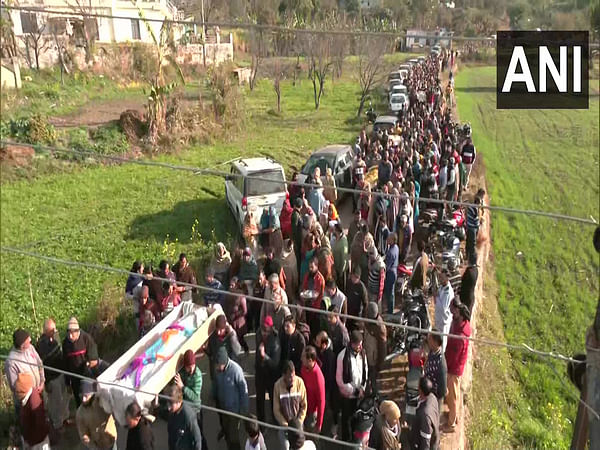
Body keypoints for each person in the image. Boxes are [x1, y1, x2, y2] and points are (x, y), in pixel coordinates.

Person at [36, 318, 70, 431]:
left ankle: (65, 418)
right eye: (52, 329)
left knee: (63, 398)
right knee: (55, 403)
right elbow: (45, 361)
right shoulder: (42, 345)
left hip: (60, 374)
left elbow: (60, 353)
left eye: (55, 328)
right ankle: (57, 424)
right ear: (45, 331)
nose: (55, 331)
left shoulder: (54, 339)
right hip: (52, 378)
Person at [213, 346, 249, 449]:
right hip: (223, 408)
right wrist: (212, 395)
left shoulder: (236, 370)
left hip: (234, 410)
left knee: (233, 436)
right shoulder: (218, 370)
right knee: (227, 431)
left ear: (224, 363)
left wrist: (244, 410)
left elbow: (243, 390)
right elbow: (215, 384)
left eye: (218, 365)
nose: (216, 367)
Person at [336, 330, 369, 442]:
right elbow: (340, 380)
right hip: (347, 397)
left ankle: (356, 441)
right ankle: (347, 443)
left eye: (361, 343)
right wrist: (354, 391)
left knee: (357, 421)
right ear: (352, 343)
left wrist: (362, 388)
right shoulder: (342, 357)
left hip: (360, 396)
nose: (360, 346)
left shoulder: (363, 353)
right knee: (347, 422)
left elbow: (365, 370)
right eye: (358, 344)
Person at [444, 300, 471, 433]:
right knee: (453, 395)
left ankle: (451, 424)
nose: (450, 311)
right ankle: (453, 416)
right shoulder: (460, 323)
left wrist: (446, 367)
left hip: (453, 368)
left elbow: (454, 357)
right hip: (453, 365)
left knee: (452, 397)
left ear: (458, 311)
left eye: (452, 309)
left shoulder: (461, 336)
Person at [4, 328, 44, 416]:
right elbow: (15, 386)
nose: (30, 340)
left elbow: (39, 363)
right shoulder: (11, 362)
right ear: (22, 345)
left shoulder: (30, 348)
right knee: (29, 424)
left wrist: (42, 382)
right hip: (25, 401)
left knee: (41, 417)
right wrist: (31, 393)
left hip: (39, 391)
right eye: (27, 340)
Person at [174, 349, 207, 450]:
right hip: (187, 410)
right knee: (189, 436)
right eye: (189, 367)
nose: (191, 370)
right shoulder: (183, 372)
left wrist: (183, 387)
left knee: (199, 436)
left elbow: (195, 397)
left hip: (196, 410)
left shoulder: (197, 375)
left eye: (192, 367)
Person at [63, 317, 98, 407]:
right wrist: (67, 382)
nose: (70, 336)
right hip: (74, 377)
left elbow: (94, 359)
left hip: (87, 376)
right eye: (68, 333)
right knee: (79, 402)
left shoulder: (86, 339)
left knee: (89, 400)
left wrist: (88, 366)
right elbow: (65, 364)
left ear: (77, 331)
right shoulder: (65, 343)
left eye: (72, 333)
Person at [273, 360, 308, 449]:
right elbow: (276, 409)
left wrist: (299, 422)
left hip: (298, 426)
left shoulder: (300, 383)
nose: (292, 379)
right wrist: (285, 425)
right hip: (285, 427)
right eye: (289, 377)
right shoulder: (277, 386)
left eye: (293, 376)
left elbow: (304, 405)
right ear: (284, 375)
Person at [76, 380, 117, 450]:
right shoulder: (80, 413)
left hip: (111, 441)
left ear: (92, 394)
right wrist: (94, 447)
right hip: (97, 446)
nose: (83, 399)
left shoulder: (102, 402)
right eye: (81, 396)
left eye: (86, 396)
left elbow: (114, 409)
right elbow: (83, 435)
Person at [255, 316, 282, 424]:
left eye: (266, 330)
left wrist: (264, 355)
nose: (263, 333)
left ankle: (275, 419)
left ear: (271, 329)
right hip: (260, 372)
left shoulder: (275, 341)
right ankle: (261, 422)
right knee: (259, 399)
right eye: (262, 330)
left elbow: (275, 363)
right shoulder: (258, 334)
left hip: (271, 375)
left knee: (273, 399)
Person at [15, 372, 50, 450]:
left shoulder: (34, 402)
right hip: (32, 440)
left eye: (18, 391)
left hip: (38, 442)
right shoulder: (28, 398)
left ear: (23, 390)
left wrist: (31, 442)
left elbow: (40, 424)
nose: (16, 393)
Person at [314, 331, 340, 436]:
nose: (315, 343)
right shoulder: (321, 350)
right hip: (325, 385)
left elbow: (329, 376)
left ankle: (334, 424)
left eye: (317, 342)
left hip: (330, 387)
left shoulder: (330, 356)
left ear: (324, 345)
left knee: (332, 406)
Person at [165, 384, 202, 450]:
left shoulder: (188, 415)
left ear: (179, 401)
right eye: (168, 402)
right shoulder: (172, 412)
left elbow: (197, 439)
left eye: (171, 403)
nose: (168, 407)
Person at [204, 314, 242, 379]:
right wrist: (205, 349)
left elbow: (237, 351)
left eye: (221, 330)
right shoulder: (213, 336)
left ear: (225, 328)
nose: (218, 332)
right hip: (216, 372)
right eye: (217, 329)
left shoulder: (231, 335)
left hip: (229, 372)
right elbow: (211, 354)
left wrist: (231, 335)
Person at [300, 346, 326, 433]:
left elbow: (321, 402)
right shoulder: (304, 368)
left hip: (312, 413)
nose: (301, 359)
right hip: (303, 408)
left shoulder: (318, 377)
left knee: (312, 436)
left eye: (303, 357)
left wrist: (319, 424)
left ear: (310, 360)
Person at [363, 302, 387, 396]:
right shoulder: (368, 318)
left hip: (373, 357)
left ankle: (374, 395)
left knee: (372, 377)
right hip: (366, 352)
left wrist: (380, 364)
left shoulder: (380, 328)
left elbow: (382, 348)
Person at [411, 377, 440, 450]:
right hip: (435, 435)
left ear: (420, 390)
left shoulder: (425, 415)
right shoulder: (432, 397)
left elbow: (426, 440)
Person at [424, 330, 447, 415]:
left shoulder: (441, 364)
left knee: (433, 416)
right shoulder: (432, 351)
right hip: (428, 390)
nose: (428, 340)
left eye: (430, 339)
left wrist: (434, 397)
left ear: (436, 343)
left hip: (435, 396)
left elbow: (443, 389)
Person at [224, 276, 249, 352]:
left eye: (232, 285)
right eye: (230, 285)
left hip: (239, 322)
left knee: (240, 338)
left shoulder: (241, 297)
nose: (230, 287)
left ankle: (246, 349)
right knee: (231, 338)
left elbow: (244, 311)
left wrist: (235, 315)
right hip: (231, 321)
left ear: (236, 286)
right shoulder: (228, 295)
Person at [302, 257, 325, 337]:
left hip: (316, 307)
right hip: (307, 304)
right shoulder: (307, 275)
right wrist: (304, 294)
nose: (310, 269)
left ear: (316, 266)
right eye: (309, 267)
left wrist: (310, 296)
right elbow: (304, 286)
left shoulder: (320, 279)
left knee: (315, 327)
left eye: (312, 267)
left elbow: (318, 294)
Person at [434, 271, 454, 352]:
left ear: (447, 278)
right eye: (440, 278)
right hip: (439, 319)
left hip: (444, 322)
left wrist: (436, 297)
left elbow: (443, 308)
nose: (440, 279)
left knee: (443, 342)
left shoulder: (448, 292)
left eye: (442, 278)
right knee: (437, 339)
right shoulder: (442, 287)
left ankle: (442, 356)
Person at [345, 265, 369, 332]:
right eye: (353, 276)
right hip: (348, 311)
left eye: (356, 277)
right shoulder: (348, 282)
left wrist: (363, 318)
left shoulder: (362, 287)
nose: (354, 279)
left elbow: (365, 303)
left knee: (354, 331)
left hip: (357, 315)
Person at [383, 232, 399, 314]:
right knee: (391, 292)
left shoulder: (391, 252)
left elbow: (387, 266)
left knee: (389, 293)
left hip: (390, 273)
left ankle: (390, 311)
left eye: (389, 239)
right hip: (394, 271)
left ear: (393, 240)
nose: (387, 240)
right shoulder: (396, 247)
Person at [331, 224, 349, 288]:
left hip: (341, 270)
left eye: (334, 230)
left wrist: (341, 273)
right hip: (336, 267)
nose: (333, 231)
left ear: (338, 231)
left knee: (341, 287)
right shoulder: (336, 238)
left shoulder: (343, 243)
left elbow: (343, 260)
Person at [465, 196, 481, 264]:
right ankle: (471, 261)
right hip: (473, 229)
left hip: (468, 227)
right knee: (472, 245)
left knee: (468, 242)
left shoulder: (470, 207)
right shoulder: (475, 209)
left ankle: (466, 256)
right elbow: (476, 220)